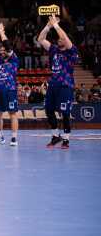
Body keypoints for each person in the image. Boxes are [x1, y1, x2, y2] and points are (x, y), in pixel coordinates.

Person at [38, 15, 79, 149]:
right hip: (53, 85)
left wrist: (56, 25)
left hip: (65, 86)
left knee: (65, 113)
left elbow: (66, 39)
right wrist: (48, 26)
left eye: (62, 38)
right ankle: (56, 136)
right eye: (58, 38)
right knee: (49, 110)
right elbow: (41, 39)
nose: (59, 39)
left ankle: (66, 139)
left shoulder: (71, 51)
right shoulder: (54, 49)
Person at [0, 23, 19, 146]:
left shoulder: (14, 59)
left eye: (4, 51)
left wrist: (2, 32)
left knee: (12, 114)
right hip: (0, 90)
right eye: (0, 51)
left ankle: (14, 138)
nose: (1, 52)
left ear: (8, 51)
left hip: (10, 89)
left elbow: (7, 44)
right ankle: (0, 137)